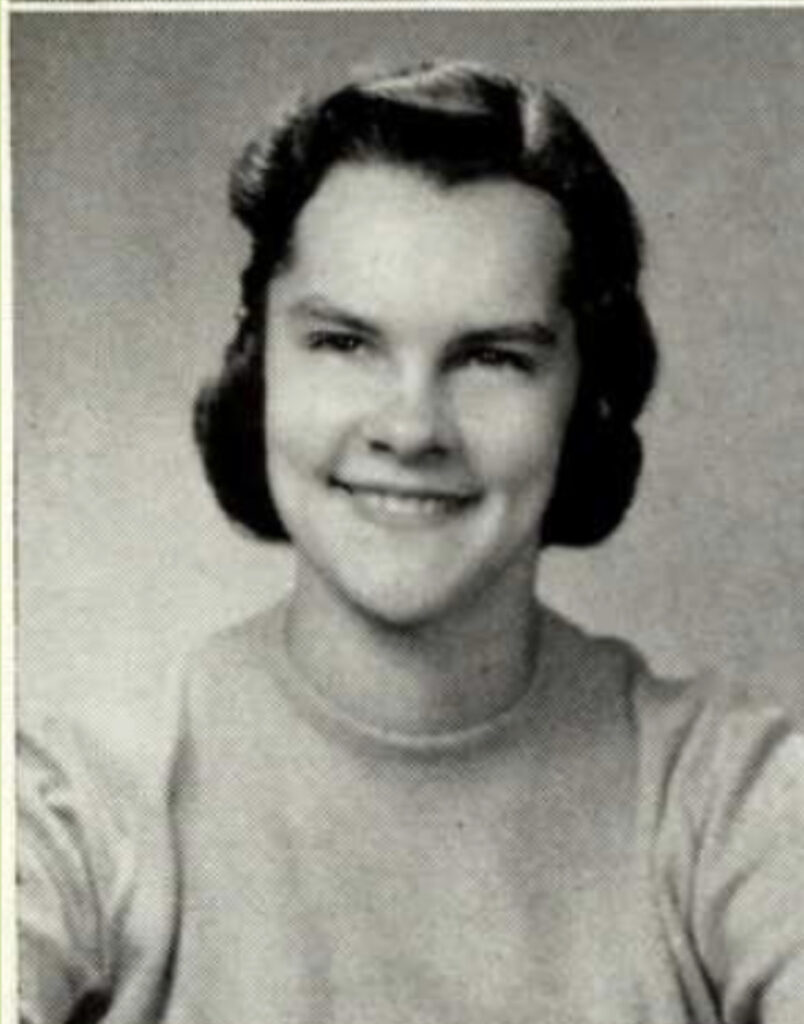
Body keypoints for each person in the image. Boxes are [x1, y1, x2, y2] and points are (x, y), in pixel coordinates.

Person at [17, 61, 804, 1024]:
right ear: (258, 366)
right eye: (344, 343)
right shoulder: (82, 803)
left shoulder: (730, 797)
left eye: (492, 358)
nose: (410, 428)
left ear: (586, 400)